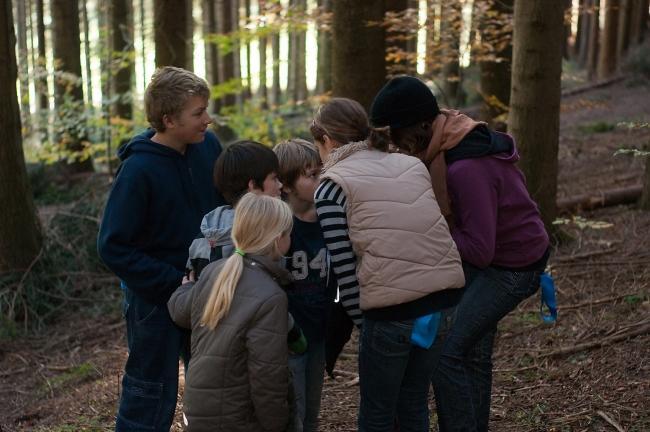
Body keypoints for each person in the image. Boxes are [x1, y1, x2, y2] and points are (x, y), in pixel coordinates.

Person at [370, 75, 550, 432]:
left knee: (446, 353)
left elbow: (480, 251)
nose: (395, 145)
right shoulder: (447, 139)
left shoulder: (466, 167)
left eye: (397, 135)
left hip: (514, 266)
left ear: (421, 124)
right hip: (499, 257)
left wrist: (433, 230)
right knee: (474, 355)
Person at [310, 97, 465, 432]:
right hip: (443, 303)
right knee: (413, 403)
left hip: (390, 313)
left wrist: (366, 326)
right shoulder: (409, 164)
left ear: (325, 139)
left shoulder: (331, 186)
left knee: (377, 414)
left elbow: (344, 270)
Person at [97, 66, 225, 431]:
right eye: (198, 113)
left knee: (211, 387)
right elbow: (113, 246)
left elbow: (225, 207)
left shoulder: (208, 148)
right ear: (168, 120)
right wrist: (172, 281)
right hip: (153, 304)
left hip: (207, 293)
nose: (208, 119)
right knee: (148, 393)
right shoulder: (138, 170)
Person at [168, 193, 293, 432]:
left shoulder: (215, 272)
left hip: (198, 410)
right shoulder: (271, 296)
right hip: (238, 417)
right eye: (289, 232)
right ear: (279, 239)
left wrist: (186, 288)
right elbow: (267, 377)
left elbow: (179, 311)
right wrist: (277, 424)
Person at [185, 140, 307, 355]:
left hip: (209, 345)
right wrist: (295, 337)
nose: (280, 186)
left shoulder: (205, 228)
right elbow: (269, 293)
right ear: (252, 186)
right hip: (256, 343)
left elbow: (193, 280)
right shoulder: (260, 234)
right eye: (274, 178)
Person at [273, 139, 338, 432]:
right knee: (293, 413)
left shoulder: (329, 218)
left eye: (321, 172)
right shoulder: (279, 226)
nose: (320, 180)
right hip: (289, 334)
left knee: (311, 412)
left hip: (320, 330)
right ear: (285, 185)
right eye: (310, 175)